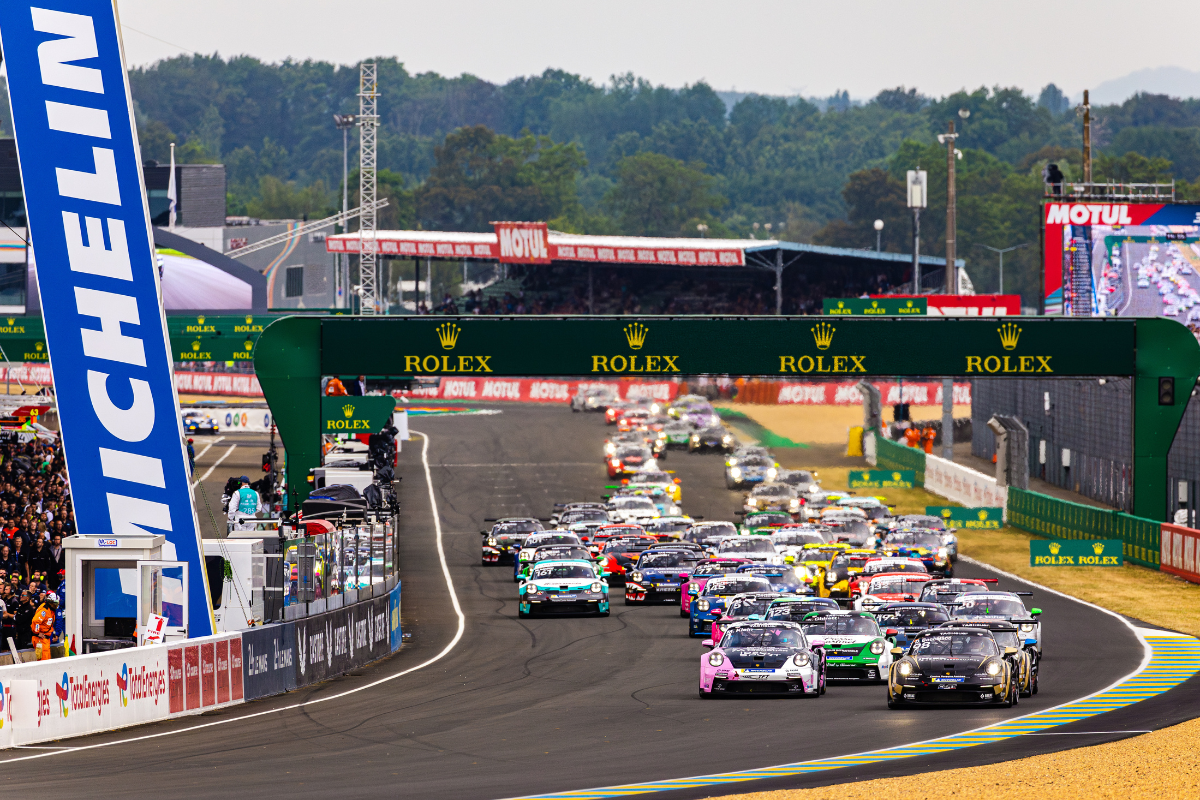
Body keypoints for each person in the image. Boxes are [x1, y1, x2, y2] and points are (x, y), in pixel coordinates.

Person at [31, 591, 57, 660]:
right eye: (55, 603)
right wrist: (37, 632)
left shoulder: (50, 610)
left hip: (46, 639)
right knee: (43, 660)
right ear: (50, 602)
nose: (56, 605)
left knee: (47, 659)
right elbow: (35, 621)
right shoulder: (44, 610)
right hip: (40, 639)